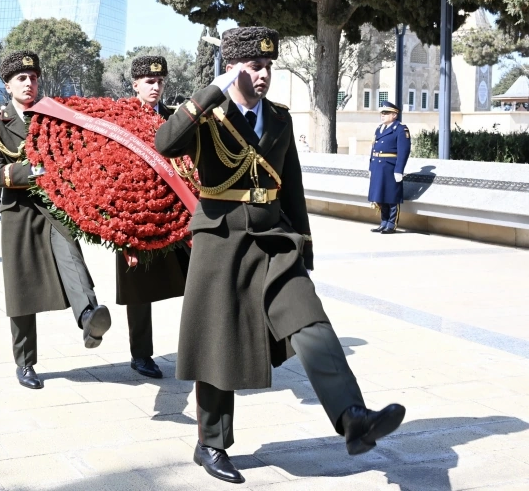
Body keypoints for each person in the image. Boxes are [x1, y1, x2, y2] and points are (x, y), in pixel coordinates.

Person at [155, 27, 405, 484]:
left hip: (273, 238)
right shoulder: (208, 115)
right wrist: (210, 92)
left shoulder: (279, 118)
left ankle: (352, 417)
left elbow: (292, 186)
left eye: (269, 66)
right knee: (218, 343)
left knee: (310, 320)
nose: (264, 74)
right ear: (233, 68)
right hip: (221, 241)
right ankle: (211, 444)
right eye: (255, 66)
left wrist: (304, 246)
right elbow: (165, 143)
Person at [0, 51, 112, 390]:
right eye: (21, 78)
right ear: (7, 85)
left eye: (34, 78)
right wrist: (37, 169)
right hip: (20, 212)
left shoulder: (52, 117)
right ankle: (25, 362)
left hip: (55, 206)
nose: (29, 83)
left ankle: (89, 317)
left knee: (71, 256)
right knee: (22, 288)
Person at [116, 56, 189, 379]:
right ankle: (141, 354)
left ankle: (201, 347)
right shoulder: (120, 118)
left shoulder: (175, 118)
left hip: (176, 213)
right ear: (135, 84)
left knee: (199, 277)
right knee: (139, 288)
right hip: (136, 215)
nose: (156, 87)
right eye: (149, 82)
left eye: (160, 81)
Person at [368, 101, 411, 234]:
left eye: (386, 113)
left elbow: (403, 151)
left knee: (391, 197)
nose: (383, 115)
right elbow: (373, 150)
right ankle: (384, 222)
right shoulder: (379, 129)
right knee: (381, 196)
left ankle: (391, 224)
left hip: (390, 168)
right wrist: (371, 167)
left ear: (394, 115)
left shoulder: (400, 129)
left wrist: (399, 170)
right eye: (382, 113)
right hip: (378, 167)